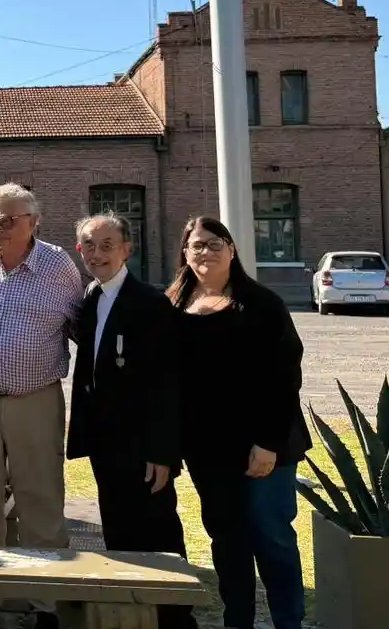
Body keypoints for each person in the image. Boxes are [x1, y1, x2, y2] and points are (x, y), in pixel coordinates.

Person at [167, 216, 311, 629]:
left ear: (232, 250)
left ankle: (289, 621)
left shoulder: (262, 303)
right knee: (227, 541)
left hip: (266, 447)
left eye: (215, 244)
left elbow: (285, 377)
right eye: (197, 245)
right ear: (185, 252)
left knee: (272, 538)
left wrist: (267, 442)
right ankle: (238, 621)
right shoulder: (174, 306)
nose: (206, 252)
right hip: (207, 450)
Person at [0, 183, 82, 629]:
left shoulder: (58, 265)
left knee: (40, 501)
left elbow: (81, 328)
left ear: (34, 221)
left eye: (10, 219)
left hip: (35, 398)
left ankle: (45, 602)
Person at [67, 214, 194, 629]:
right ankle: (134, 612)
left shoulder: (151, 303)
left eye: (107, 245)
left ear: (127, 249)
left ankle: (175, 617)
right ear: (79, 250)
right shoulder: (90, 298)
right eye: (90, 245)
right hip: (106, 444)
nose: (98, 253)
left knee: (157, 531)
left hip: (144, 447)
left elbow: (168, 382)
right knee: (119, 530)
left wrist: (162, 451)